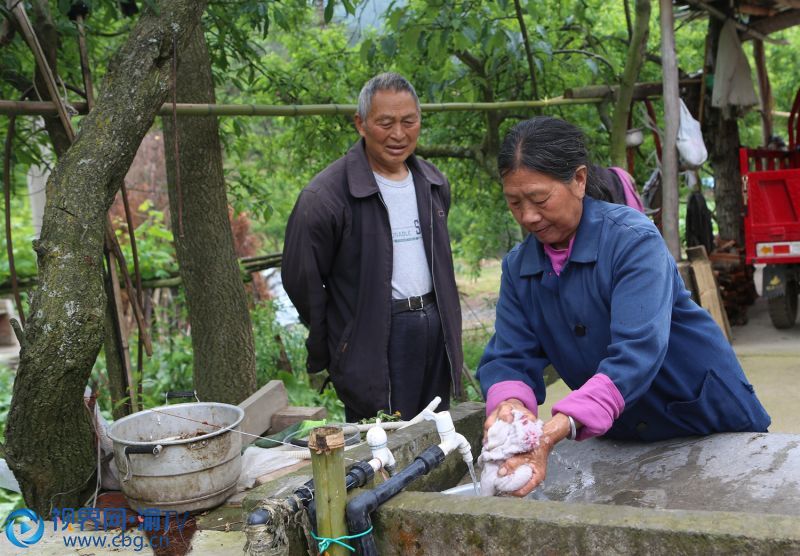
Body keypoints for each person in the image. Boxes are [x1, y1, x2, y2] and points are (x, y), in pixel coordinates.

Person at [476, 116, 770, 497]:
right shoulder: (520, 268)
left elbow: (637, 352)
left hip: (702, 419)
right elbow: (510, 357)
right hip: (626, 435)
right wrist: (510, 407)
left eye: (539, 199)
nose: (528, 216)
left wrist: (560, 426)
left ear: (578, 180)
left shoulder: (633, 242)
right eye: (514, 203)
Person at [282, 72, 463, 422]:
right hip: (375, 336)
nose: (399, 134)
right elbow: (300, 280)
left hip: (432, 326)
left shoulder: (433, 183)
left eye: (409, 121)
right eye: (386, 123)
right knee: (383, 444)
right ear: (361, 124)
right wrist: (340, 338)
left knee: (436, 432)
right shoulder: (326, 197)